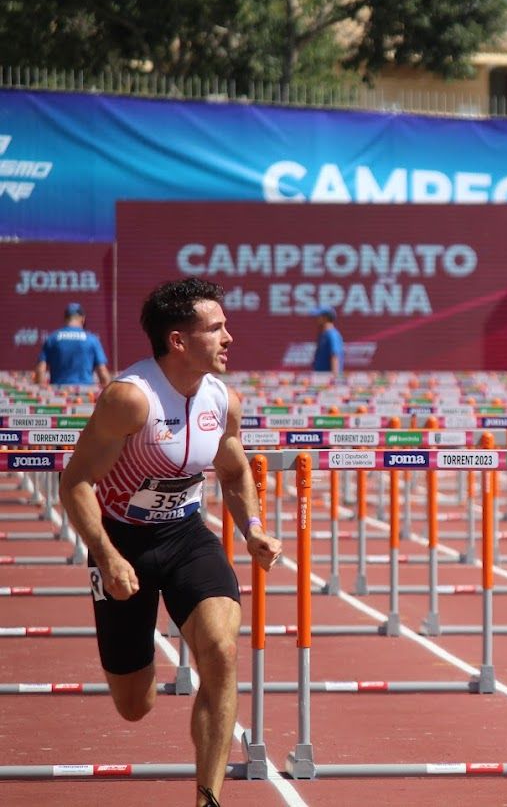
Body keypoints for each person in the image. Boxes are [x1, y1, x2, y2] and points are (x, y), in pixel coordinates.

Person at [58, 277, 282, 807]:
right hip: (123, 543)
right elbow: (75, 483)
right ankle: (140, 664)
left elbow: (232, 471)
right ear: (179, 340)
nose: (230, 337)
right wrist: (108, 556)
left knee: (222, 651)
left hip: (186, 536)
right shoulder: (130, 400)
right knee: (134, 704)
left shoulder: (223, 399)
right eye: (217, 328)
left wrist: (253, 531)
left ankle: (208, 799)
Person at [35, 302, 112, 387]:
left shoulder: (52, 339)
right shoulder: (92, 340)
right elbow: (102, 371)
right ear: (83, 319)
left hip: (58, 394)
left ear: (65, 318)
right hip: (85, 394)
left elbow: (40, 369)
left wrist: (41, 391)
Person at [312, 305, 344, 375]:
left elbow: (335, 356)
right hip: (320, 377)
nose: (316, 318)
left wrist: (335, 378)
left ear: (325, 318)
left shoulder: (332, 335)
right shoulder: (324, 335)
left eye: (318, 316)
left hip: (327, 379)